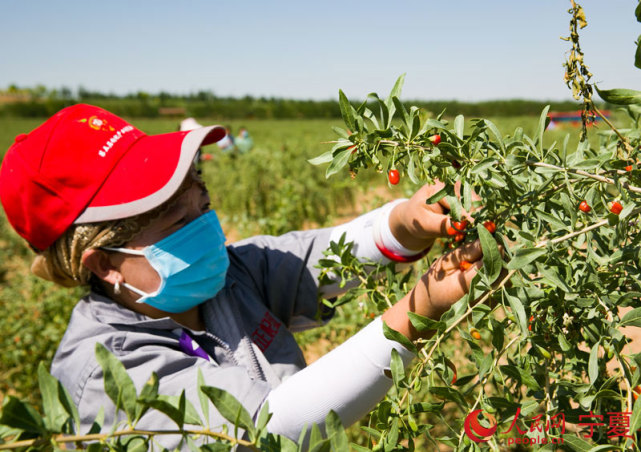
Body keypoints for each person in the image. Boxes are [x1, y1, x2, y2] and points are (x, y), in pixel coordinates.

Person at [0, 104, 484, 450]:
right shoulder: (105, 373)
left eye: (203, 206)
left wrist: (402, 224)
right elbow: (271, 430)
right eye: (178, 223)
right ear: (102, 263)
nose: (208, 229)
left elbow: (316, 256)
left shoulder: (227, 277)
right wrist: (421, 309)